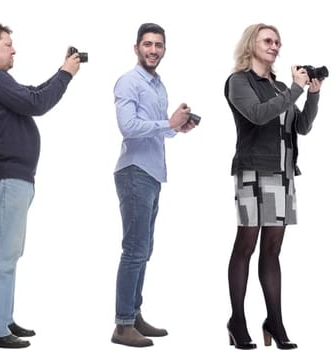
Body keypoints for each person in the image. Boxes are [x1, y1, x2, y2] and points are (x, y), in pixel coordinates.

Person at [0, 23, 81, 349]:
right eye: (8, 44)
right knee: (0, 254)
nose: (13, 49)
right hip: (5, 178)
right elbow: (36, 103)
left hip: (13, 178)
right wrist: (65, 73)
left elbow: (32, 96)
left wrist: (61, 72)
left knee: (9, 252)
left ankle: (1, 317)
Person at [224, 23, 321, 350]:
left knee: (272, 250)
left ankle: (274, 321)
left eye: (278, 41)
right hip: (253, 171)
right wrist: (294, 89)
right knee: (246, 245)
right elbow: (258, 115)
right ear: (251, 44)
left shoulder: (281, 86)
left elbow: (302, 126)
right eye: (268, 40)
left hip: (282, 174)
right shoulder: (239, 82)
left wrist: (313, 94)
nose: (275, 45)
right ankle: (237, 320)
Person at [110, 22, 194, 348]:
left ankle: (134, 313)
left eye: (158, 45)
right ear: (136, 48)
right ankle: (122, 324)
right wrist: (166, 123)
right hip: (134, 172)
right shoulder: (129, 82)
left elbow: (159, 129)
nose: (153, 50)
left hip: (153, 174)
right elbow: (127, 126)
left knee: (144, 250)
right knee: (134, 250)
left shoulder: (158, 85)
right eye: (147, 44)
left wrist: (177, 128)